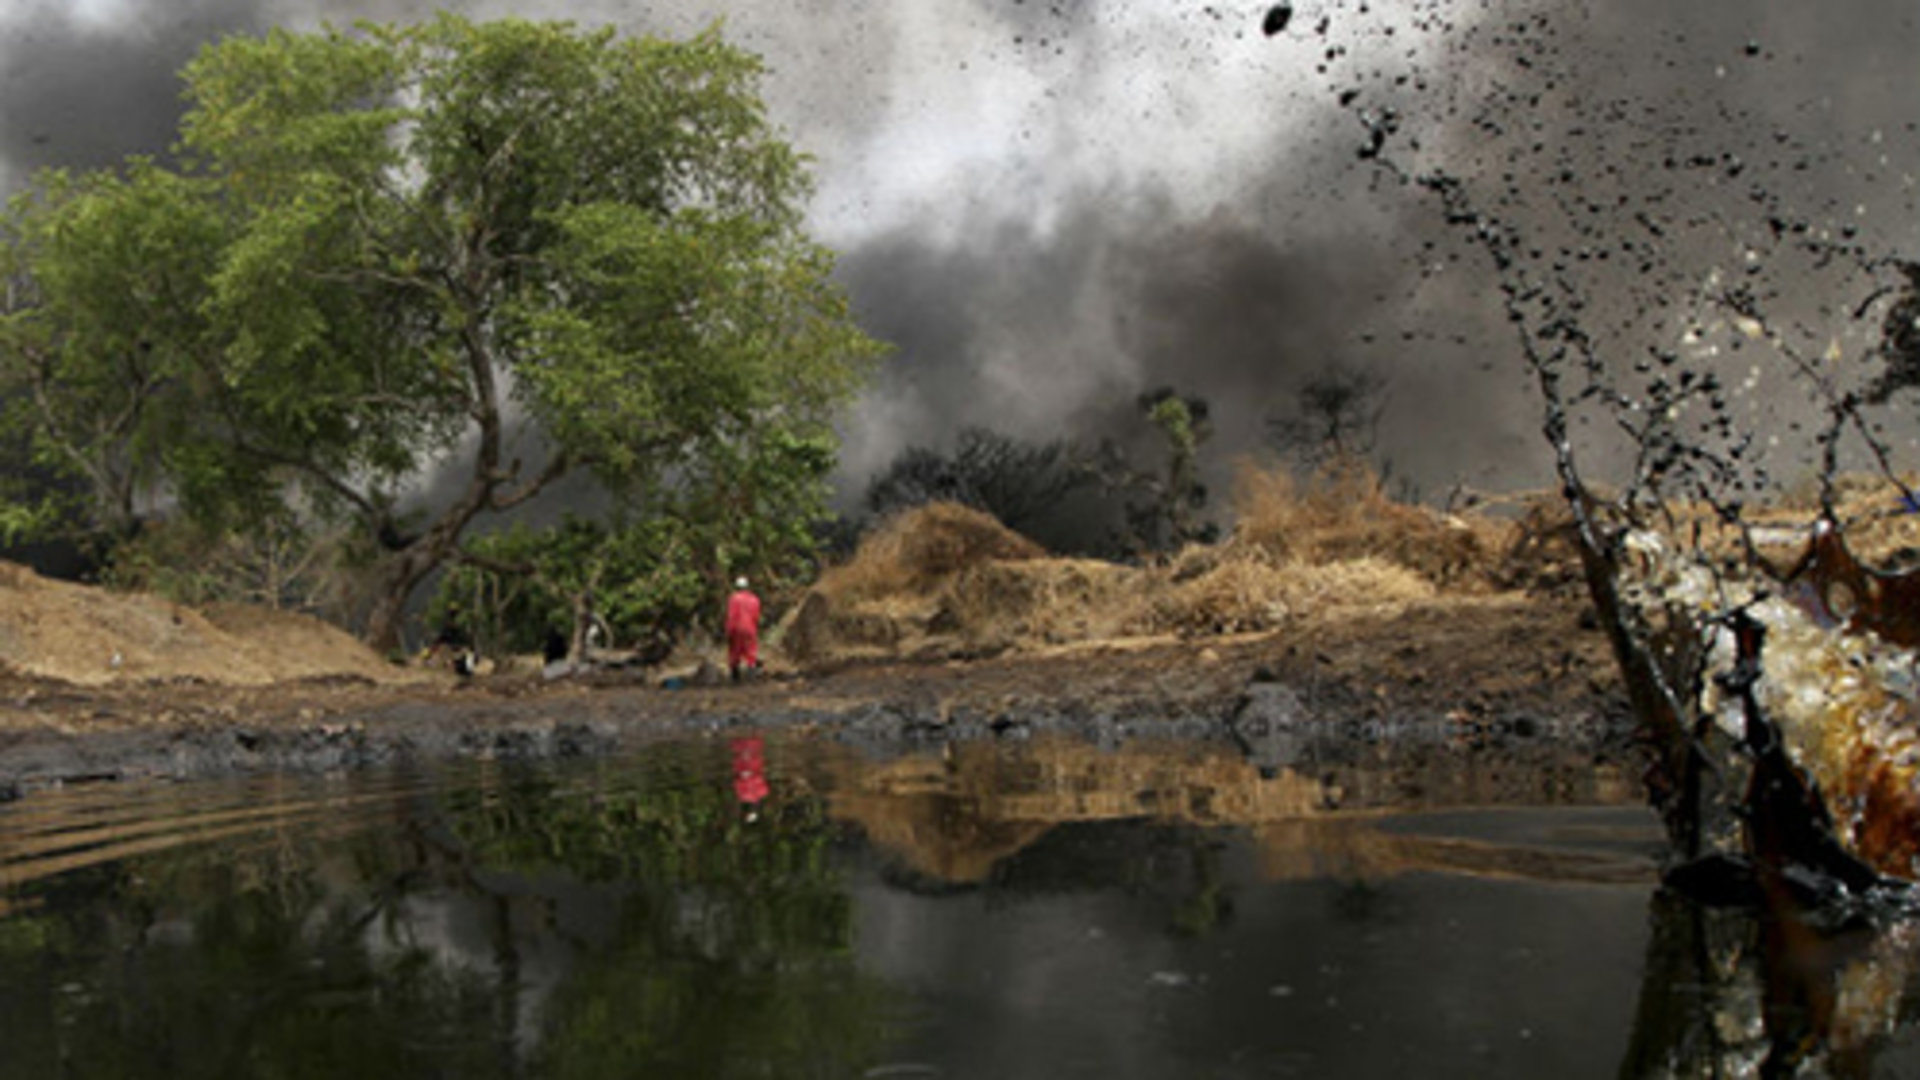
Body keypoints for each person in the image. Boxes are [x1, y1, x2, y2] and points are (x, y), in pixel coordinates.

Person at [725, 576, 762, 683]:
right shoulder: (755, 599)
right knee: (751, 651)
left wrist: (729, 631)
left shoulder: (734, 598)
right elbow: (756, 616)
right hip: (750, 628)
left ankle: (735, 678)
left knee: (734, 651)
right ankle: (752, 676)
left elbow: (731, 616)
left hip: (737, 627)